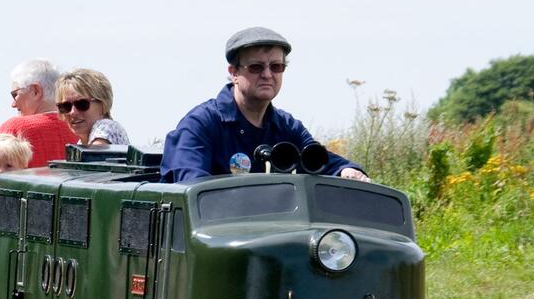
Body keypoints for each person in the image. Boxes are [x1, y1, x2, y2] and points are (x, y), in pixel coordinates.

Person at [160, 27, 369, 184]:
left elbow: (318, 159)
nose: (268, 74)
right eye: (256, 67)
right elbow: (189, 187)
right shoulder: (200, 124)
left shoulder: (287, 127)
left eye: (276, 66)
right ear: (234, 73)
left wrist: (346, 170)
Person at [0, 58, 78, 167]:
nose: (13, 104)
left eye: (15, 94)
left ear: (35, 91)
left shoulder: (14, 128)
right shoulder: (80, 128)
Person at [56, 68, 129, 146]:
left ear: (103, 104)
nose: (73, 112)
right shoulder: (83, 143)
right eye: (66, 106)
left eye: (82, 104)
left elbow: (96, 156)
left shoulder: (106, 127)